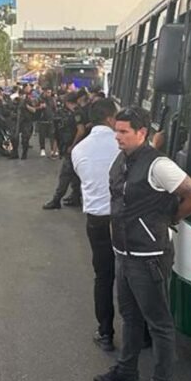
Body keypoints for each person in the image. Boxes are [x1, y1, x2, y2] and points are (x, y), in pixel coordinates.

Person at [93, 106, 191, 381]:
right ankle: (127, 370)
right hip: (124, 253)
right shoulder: (124, 159)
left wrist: (168, 219)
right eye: (116, 130)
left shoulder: (159, 166)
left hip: (149, 257)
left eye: (124, 132)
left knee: (159, 325)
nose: (117, 137)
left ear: (141, 133)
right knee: (129, 316)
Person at [71, 99, 121, 351]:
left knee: (103, 276)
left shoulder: (78, 150)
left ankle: (106, 333)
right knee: (131, 277)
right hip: (123, 219)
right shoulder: (123, 144)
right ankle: (141, 334)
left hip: (97, 221)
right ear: (112, 119)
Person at [42, 93, 83, 210]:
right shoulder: (77, 112)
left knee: (65, 174)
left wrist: (73, 145)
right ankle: (75, 197)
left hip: (74, 148)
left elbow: (81, 130)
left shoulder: (77, 113)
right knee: (74, 175)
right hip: (74, 147)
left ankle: (56, 199)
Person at [16, 84, 37, 160]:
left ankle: (24, 153)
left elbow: (34, 110)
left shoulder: (30, 98)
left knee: (26, 137)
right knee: (17, 137)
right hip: (19, 120)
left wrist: (27, 106)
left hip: (27, 121)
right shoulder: (18, 99)